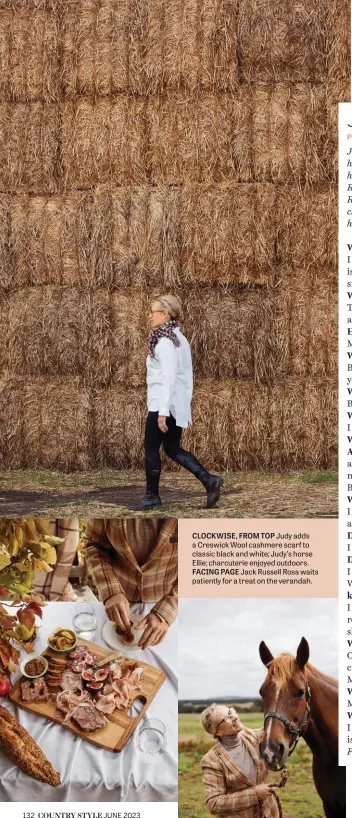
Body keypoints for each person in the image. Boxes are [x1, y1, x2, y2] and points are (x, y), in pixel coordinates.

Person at [129, 293, 223, 511]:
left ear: (166, 314)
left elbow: (168, 378)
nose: (150, 316)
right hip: (173, 404)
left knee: (151, 450)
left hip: (163, 404)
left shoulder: (165, 343)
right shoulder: (177, 338)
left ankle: (151, 496)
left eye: (153, 312)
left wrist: (162, 412)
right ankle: (209, 480)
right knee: (172, 449)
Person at [82, 518, 177, 649]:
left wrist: (167, 611)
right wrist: (111, 590)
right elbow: (94, 545)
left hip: (168, 601)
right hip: (117, 601)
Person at [200, 704, 280, 818]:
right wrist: (255, 794)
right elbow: (214, 803)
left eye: (231, 712)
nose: (234, 717)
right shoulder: (212, 760)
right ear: (217, 732)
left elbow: (274, 732)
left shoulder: (251, 735)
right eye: (227, 718)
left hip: (270, 812)